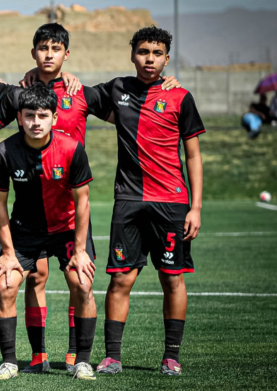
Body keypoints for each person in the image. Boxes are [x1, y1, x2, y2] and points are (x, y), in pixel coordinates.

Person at [0, 23, 182, 373]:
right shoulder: (22, 93)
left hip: (70, 208)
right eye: (42, 48)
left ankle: (74, 354)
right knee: (34, 278)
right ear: (33, 52)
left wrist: (165, 85)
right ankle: (37, 356)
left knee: (77, 278)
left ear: (66, 54)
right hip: (29, 208)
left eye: (56, 49)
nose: (49, 54)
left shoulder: (82, 91)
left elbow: (132, 114)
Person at [91, 26, 204, 376]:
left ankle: (171, 356)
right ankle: (112, 356)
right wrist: (43, 74)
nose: (149, 59)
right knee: (121, 278)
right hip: (128, 200)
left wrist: (196, 207)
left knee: (172, 278)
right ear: (132, 55)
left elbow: (194, 156)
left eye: (156, 53)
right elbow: (74, 95)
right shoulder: (117, 89)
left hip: (171, 203)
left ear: (166, 59)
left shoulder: (181, 97)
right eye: (143, 52)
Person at [0, 82, 98, 381]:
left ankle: (83, 361)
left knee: (83, 283)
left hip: (66, 230)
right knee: (6, 284)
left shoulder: (72, 149)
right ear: (19, 118)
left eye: (42, 115)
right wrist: (8, 253)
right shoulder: (4, 151)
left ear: (55, 118)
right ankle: (10, 362)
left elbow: (83, 201)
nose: (35, 122)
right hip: (25, 230)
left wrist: (79, 250)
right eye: (28, 116)